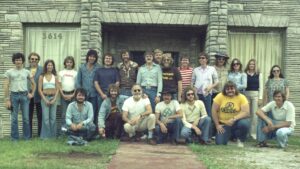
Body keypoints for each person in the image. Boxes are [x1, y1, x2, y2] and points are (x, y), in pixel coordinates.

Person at [4, 53, 36, 140]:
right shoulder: (9, 72)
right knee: (14, 119)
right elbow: (6, 85)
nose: (18, 61)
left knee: (26, 118)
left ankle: (27, 138)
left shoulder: (27, 72)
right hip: (13, 96)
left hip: (24, 96)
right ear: (14, 61)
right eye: (17, 60)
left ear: (23, 61)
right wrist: (7, 99)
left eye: (20, 60)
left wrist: (32, 94)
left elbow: (33, 84)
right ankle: (14, 138)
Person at [212, 81, 250, 147]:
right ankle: (229, 136)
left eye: (232, 88)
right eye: (228, 89)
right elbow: (214, 111)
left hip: (236, 123)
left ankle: (240, 140)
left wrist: (233, 119)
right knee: (220, 143)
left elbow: (246, 112)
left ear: (235, 89)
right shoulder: (220, 96)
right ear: (225, 90)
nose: (230, 90)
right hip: (224, 124)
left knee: (244, 123)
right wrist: (217, 125)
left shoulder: (241, 97)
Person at [94, 53, 120, 126]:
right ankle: (100, 130)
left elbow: (117, 82)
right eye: (106, 58)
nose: (108, 60)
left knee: (112, 113)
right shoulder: (99, 70)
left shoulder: (115, 70)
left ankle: (110, 131)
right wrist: (102, 94)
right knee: (101, 113)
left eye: (109, 58)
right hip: (101, 95)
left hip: (112, 96)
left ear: (112, 60)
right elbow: (96, 83)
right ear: (104, 60)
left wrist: (112, 93)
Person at [192, 52, 218, 117]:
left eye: (203, 58)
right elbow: (192, 81)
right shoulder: (196, 70)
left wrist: (211, 87)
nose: (201, 59)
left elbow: (217, 81)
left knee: (208, 111)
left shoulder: (212, 69)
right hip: (198, 94)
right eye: (199, 58)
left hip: (207, 93)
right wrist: (194, 92)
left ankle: (208, 126)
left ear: (206, 59)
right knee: (198, 112)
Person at [76, 49, 100, 120]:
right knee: (83, 112)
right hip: (84, 95)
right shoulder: (82, 67)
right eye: (90, 56)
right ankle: (83, 128)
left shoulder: (98, 67)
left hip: (94, 94)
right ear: (87, 57)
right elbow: (78, 81)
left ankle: (91, 129)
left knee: (93, 112)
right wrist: (80, 93)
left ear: (95, 58)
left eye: (93, 57)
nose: (92, 58)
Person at [38, 59, 59, 139]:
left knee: (53, 118)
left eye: (51, 65)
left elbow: (57, 89)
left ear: (53, 67)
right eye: (48, 65)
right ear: (46, 66)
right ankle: (45, 137)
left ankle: (53, 136)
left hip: (53, 98)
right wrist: (45, 99)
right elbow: (39, 89)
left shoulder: (55, 76)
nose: (50, 66)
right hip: (45, 97)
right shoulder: (41, 76)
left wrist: (54, 99)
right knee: (46, 118)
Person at [244, 59, 263, 139]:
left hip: (255, 95)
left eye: (253, 64)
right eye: (250, 64)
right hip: (246, 95)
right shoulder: (244, 74)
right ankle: (246, 133)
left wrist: (260, 98)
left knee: (254, 115)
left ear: (255, 65)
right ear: (248, 65)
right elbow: (244, 87)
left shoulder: (259, 74)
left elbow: (261, 87)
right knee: (247, 114)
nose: (251, 65)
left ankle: (253, 133)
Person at [58, 56, 77, 130]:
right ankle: (64, 130)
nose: (69, 64)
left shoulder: (75, 73)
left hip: (73, 94)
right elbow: (59, 85)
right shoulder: (61, 72)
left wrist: (73, 95)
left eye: (70, 62)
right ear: (65, 63)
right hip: (63, 95)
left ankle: (72, 130)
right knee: (64, 114)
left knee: (72, 113)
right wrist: (63, 95)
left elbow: (76, 85)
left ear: (73, 63)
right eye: (67, 62)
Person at [27, 52, 43, 137]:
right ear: (29, 60)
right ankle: (28, 135)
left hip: (39, 95)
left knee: (40, 116)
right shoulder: (25, 69)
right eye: (32, 59)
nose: (34, 60)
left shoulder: (42, 70)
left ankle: (40, 135)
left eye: (36, 59)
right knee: (28, 116)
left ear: (38, 60)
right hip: (28, 96)